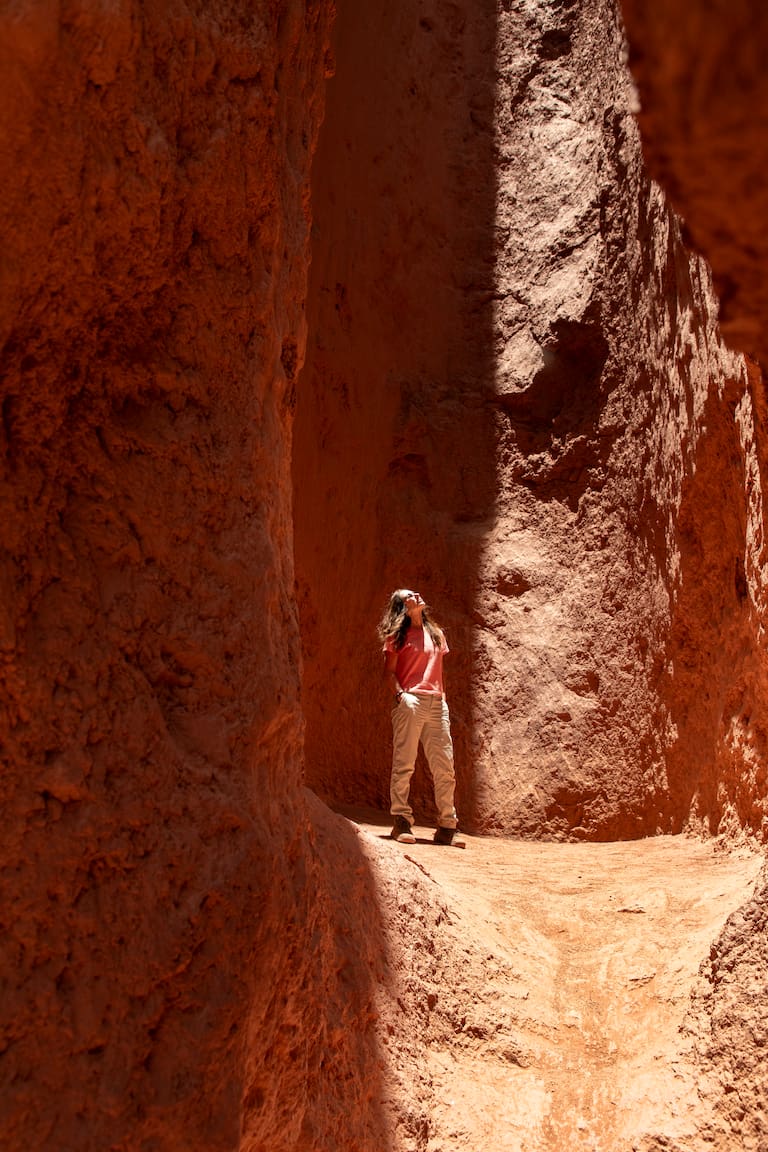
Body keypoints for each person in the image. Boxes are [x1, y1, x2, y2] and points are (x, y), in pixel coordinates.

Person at [378, 588, 463, 846]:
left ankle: (447, 825)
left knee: (444, 765)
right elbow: (389, 672)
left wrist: (443, 697)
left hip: (437, 703)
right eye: (409, 596)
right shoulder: (397, 637)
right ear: (403, 607)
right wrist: (401, 696)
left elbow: (438, 670)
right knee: (405, 762)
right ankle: (401, 821)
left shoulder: (436, 634)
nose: (416, 595)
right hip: (411, 701)